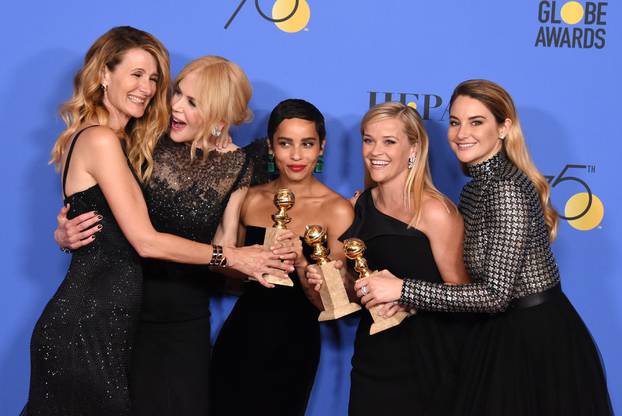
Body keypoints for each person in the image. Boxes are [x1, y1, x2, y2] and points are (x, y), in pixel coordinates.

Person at [30, 31, 289, 415]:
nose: (150, 90)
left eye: (154, 80)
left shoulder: (127, 138)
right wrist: (233, 257)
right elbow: (144, 240)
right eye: (137, 75)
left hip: (129, 319)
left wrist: (262, 257)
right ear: (104, 74)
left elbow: (102, 220)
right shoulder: (110, 139)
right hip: (95, 320)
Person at [354, 80, 612, 415]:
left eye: (476, 122)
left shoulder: (507, 189)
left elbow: (493, 295)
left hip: (535, 340)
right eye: (455, 122)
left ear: (504, 127)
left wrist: (402, 289)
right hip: (499, 334)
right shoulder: (475, 188)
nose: (461, 133)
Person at [307, 101, 470, 415]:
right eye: (368, 140)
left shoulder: (436, 212)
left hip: (430, 363)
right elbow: (358, 294)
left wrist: (407, 295)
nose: (374, 151)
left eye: (389, 141)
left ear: (413, 148)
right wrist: (334, 281)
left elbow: (465, 299)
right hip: (374, 359)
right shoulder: (361, 205)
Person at [210, 99, 355, 415]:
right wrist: (249, 262)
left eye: (307, 143)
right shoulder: (250, 198)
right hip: (242, 336)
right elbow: (227, 273)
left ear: (322, 147)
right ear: (272, 147)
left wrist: (301, 262)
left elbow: (335, 304)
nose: (297, 155)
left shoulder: (337, 209)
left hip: (295, 343)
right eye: (286, 143)